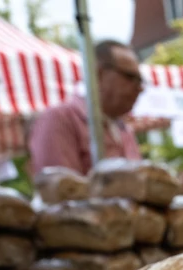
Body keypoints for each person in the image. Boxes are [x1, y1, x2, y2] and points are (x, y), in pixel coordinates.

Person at [29, 40, 143, 175]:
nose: (139, 88)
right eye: (130, 77)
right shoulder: (59, 119)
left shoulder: (124, 130)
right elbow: (60, 190)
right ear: (98, 74)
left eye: (141, 81)